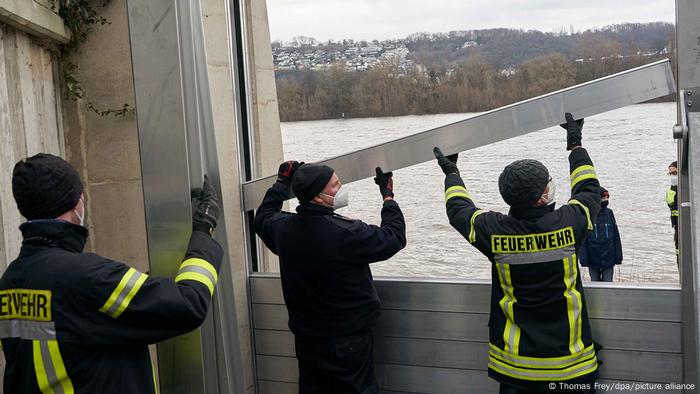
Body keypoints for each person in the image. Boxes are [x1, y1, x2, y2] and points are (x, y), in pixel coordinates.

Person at [1, 153, 222, 394]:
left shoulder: (10, 281)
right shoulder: (85, 277)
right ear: (76, 203)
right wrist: (203, 231)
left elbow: (82, 318)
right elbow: (188, 304)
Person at [434, 113, 600, 393]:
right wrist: (575, 144)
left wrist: (452, 173)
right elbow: (588, 189)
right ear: (540, 197)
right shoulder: (571, 222)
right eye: (548, 183)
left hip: (515, 370)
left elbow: (458, 210)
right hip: (571, 367)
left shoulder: (493, 231)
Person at [254, 161, 406, 394]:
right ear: (318, 197)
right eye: (335, 185)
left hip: (307, 342)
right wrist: (388, 197)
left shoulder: (283, 229)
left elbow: (263, 216)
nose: (341, 188)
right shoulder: (346, 233)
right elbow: (394, 237)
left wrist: (281, 183)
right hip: (348, 344)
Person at [578, 187, 623, 282]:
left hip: (608, 258)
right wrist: (583, 258)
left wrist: (618, 256)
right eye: (603, 198)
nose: (605, 200)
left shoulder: (609, 213)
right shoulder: (588, 214)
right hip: (592, 258)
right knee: (595, 284)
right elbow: (583, 239)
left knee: (608, 284)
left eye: (607, 198)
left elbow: (615, 235)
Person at [666, 161, 679, 260]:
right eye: (670, 174)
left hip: (685, 225)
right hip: (677, 227)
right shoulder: (670, 190)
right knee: (678, 252)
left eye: (674, 173)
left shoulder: (687, 189)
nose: (672, 176)